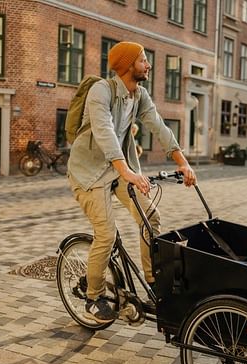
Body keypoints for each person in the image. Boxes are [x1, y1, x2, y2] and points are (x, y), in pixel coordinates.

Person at [67, 41, 197, 323]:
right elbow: (104, 132)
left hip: (117, 171)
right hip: (88, 173)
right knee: (107, 234)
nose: (148, 65)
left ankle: (152, 280)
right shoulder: (100, 90)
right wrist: (126, 170)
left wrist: (182, 162)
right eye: (143, 60)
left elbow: (159, 127)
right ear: (127, 65)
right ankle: (93, 296)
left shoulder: (138, 95)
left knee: (150, 215)